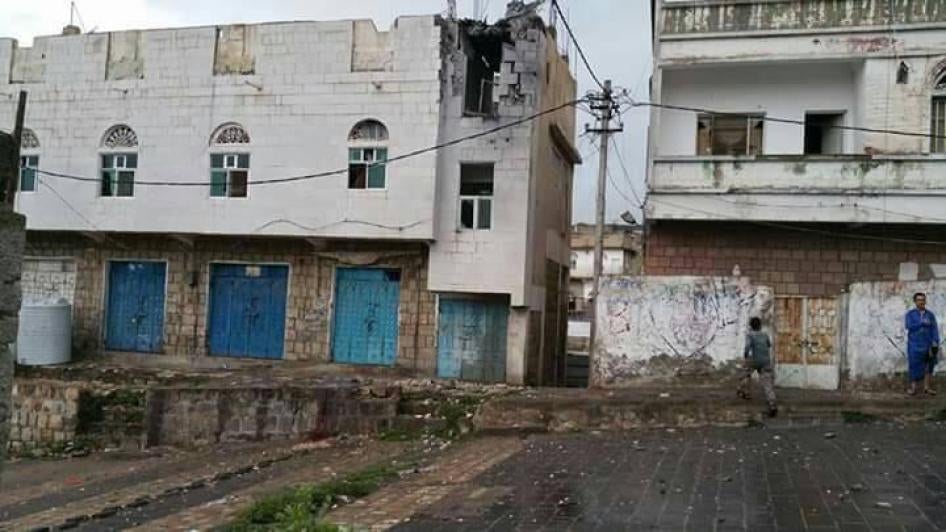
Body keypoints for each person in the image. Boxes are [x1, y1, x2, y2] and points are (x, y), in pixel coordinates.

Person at [737, 317, 778, 417]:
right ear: (760, 326)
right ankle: (772, 404)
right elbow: (768, 345)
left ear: (751, 326)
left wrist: (746, 355)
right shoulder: (765, 335)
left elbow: (747, 347)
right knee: (767, 383)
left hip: (754, 359)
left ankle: (743, 391)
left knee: (745, 373)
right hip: (765, 360)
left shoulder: (750, 335)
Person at [905, 292, 940, 396]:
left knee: (928, 366)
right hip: (914, 345)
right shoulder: (910, 314)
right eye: (919, 300)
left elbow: (934, 328)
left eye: (923, 300)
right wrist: (921, 323)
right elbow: (909, 326)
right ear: (915, 302)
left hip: (928, 344)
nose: (921, 302)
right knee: (914, 366)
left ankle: (927, 387)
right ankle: (913, 388)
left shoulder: (930, 315)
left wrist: (935, 341)